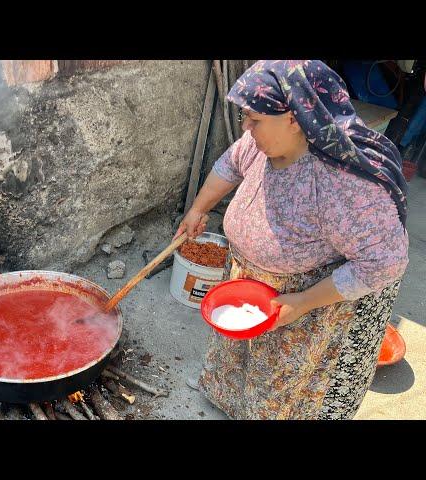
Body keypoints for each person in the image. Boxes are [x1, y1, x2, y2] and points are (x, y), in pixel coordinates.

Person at [175, 60, 409, 420]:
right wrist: (198, 208)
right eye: (244, 117)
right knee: (234, 353)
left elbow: (385, 263)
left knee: (279, 381)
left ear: (296, 118)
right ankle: (224, 396)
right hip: (248, 285)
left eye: (254, 119)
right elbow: (231, 164)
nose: (245, 128)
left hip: (304, 303)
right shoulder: (261, 144)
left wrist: (302, 301)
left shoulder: (342, 183)